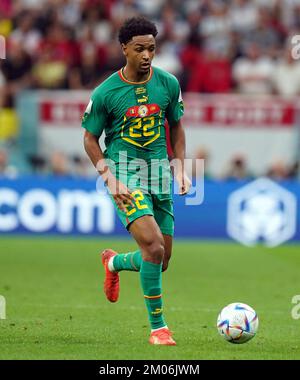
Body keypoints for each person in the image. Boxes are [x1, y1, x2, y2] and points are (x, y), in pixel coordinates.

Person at [82, 16, 191, 346]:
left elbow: (178, 127)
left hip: (158, 174)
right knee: (153, 247)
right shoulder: (106, 92)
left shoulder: (169, 84)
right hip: (125, 174)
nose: (147, 55)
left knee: (162, 260)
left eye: (152, 49)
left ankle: (113, 262)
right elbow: (89, 139)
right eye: (140, 49)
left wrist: (181, 167)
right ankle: (159, 328)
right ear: (124, 49)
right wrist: (111, 179)